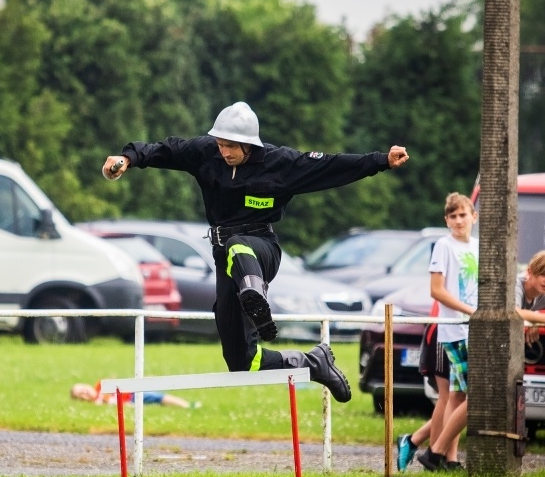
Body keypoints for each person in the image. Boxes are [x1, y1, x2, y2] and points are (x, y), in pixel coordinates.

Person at [102, 102, 410, 402]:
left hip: (262, 249)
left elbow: (331, 165)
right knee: (241, 362)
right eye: (221, 145)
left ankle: (255, 295)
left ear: (249, 144)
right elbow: (165, 149)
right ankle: (315, 363)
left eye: (231, 147)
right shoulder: (206, 153)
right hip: (225, 259)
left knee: (239, 244)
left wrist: (381, 160)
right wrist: (128, 158)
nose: (225, 153)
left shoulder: (280, 163)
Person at [417, 192, 478, 471]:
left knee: (458, 396)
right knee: (476, 394)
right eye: (452, 216)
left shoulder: (477, 247)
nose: (458, 220)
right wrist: (471, 312)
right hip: (455, 329)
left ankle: (450, 460)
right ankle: (435, 453)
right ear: (446, 220)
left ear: (473, 217)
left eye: (463, 215)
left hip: (474, 329)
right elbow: (437, 290)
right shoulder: (444, 245)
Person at [396, 302, 454, 471]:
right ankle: (434, 458)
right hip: (444, 328)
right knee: (449, 397)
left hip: (457, 329)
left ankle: (416, 442)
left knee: (457, 399)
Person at [70, 382, 201, 409]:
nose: (84, 393)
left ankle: (187, 406)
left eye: (83, 389)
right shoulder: (96, 405)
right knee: (157, 399)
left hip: (132, 394)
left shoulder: (101, 385)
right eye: (80, 394)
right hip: (129, 402)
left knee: (158, 397)